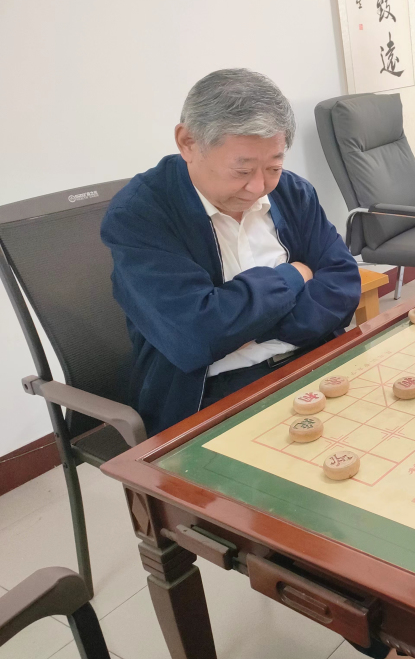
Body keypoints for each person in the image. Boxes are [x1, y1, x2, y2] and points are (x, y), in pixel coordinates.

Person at [102, 69, 361, 438]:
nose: (258, 187)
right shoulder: (140, 216)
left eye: (273, 167)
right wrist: (293, 277)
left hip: (312, 359)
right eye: (242, 170)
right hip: (212, 393)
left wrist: (246, 325)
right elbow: (196, 337)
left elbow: (344, 284)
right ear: (188, 143)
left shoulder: (291, 192)